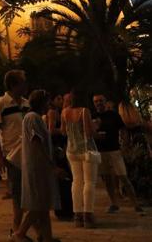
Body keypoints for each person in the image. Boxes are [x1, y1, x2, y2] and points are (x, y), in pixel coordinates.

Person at [12, 90, 61, 242]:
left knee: (43, 206)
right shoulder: (32, 117)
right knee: (38, 205)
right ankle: (19, 233)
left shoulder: (34, 117)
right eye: (47, 102)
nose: (49, 105)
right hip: (37, 168)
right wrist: (51, 165)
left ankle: (47, 237)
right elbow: (36, 141)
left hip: (40, 167)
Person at [0, 69, 29, 238]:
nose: (26, 85)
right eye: (23, 82)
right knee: (18, 197)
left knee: (31, 196)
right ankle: (16, 230)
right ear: (14, 85)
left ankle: (23, 231)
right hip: (13, 157)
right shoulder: (1, 104)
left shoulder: (27, 104)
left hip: (29, 154)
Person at [92, 93, 144, 214]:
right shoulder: (93, 116)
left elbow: (123, 129)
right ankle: (114, 203)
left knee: (123, 176)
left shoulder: (114, 115)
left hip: (114, 150)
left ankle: (135, 203)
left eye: (100, 101)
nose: (98, 103)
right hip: (101, 151)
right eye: (96, 101)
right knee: (107, 178)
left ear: (105, 102)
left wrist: (125, 144)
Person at [62, 88, 100, 228]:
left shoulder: (64, 112)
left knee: (76, 182)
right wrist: (96, 126)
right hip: (86, 150)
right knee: (89, 182)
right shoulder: (84, 111)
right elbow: (89, 133)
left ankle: (77, 215)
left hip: (71, 150)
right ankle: (88, 215)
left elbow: (63, 132)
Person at [118, 101, 151, 210]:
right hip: (141, 147)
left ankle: (137, 197)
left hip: (130, 149)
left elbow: (124, 140)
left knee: (132, 172)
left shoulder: (122, 124)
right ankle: (146, 196)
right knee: (144, 171)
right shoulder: (139, 121)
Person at [47, 92, 73, 220]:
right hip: (58, 146)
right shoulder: (52, 112)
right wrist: (65, 130)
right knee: (63, 177)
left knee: (66, 178)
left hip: (63, 145)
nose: (61, 100)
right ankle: (63, 210)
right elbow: (51, 130)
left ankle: (66, 208)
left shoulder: (61, 112)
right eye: (58, 98)